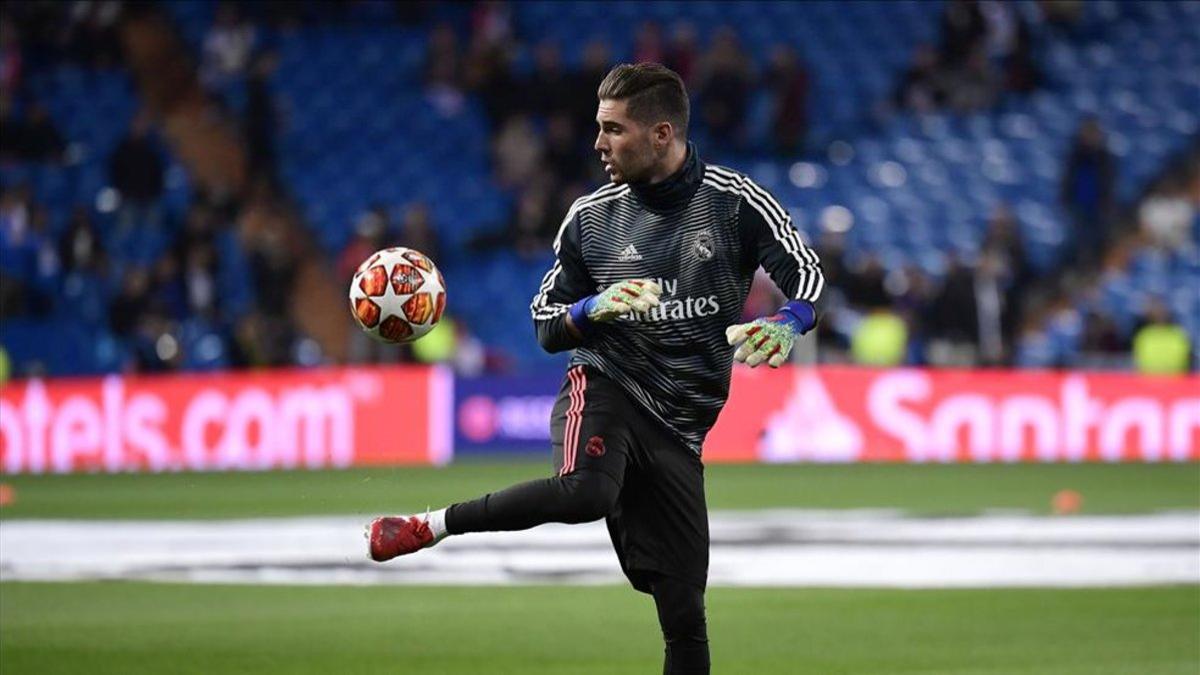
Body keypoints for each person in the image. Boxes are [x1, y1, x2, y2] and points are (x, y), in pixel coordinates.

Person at [365, 63, 824, 675]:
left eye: (613, 129)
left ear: (662, 134)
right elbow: (545, 323)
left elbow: (806, 273)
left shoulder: (735, 203)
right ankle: (430, 526)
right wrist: (593, 306)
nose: (598, 144)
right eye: (598, 128)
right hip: (607, 378)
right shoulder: (590, 218)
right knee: (585, 491)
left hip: (683, 427)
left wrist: (788, 321)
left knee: (685, 614)